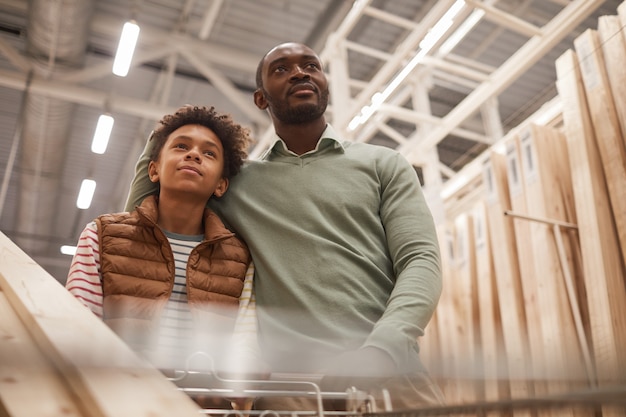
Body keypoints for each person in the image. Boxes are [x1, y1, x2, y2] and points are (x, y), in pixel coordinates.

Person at [125, 43, 445, 411]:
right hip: (290, 391)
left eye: (311, 66)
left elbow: (421, 260)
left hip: (391, 376)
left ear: (324, 83)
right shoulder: (236, 183)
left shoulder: (383, 164)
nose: (299, 73)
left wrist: (384, 348)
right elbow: (143, 220)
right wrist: (171, 132)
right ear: (261, 100)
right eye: (281, 69)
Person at [66, 105, 258, 411]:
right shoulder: (101, 235)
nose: (193, 155)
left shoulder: (240, 259)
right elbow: (77, 326)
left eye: (209, 153)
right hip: (117, 405)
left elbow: (242, 343)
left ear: (221, 185)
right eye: (181, 146)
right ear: (153, 169)